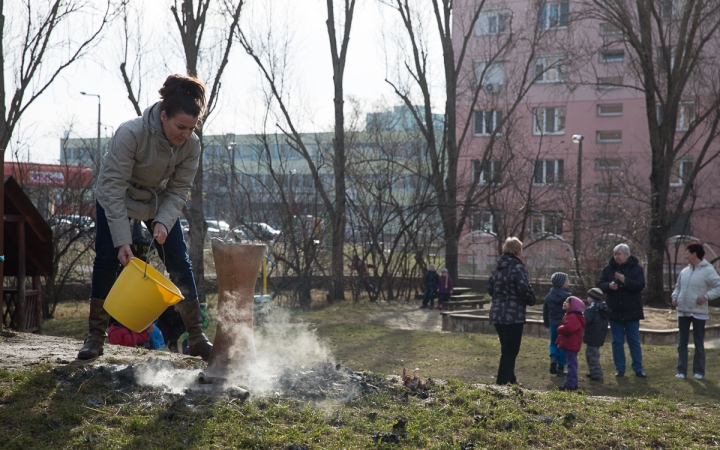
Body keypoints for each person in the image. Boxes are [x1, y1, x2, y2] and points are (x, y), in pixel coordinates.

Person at [77, 74, 213, 361]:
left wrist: (163, 221)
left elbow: (178, 190)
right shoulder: (131, 133)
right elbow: (112, 189)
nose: (185, 134)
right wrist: (122, 241)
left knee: (179, 260)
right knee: (106, 258)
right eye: (180, 127)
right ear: (163, 116)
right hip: (117, 196)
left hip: (157, 202)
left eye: (191, 128)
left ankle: (197, 338)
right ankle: (95, 336)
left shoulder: (192, 145)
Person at [487, 237, 537, 385]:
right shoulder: (518, 267)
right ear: (517, 250)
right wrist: (531, 300)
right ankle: (503, 381)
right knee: (511, 349)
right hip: (513, 314)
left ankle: (509, 378)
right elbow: (524, 287)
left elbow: (490, 288)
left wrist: (499, 299)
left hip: (497, 313)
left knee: (506, 348)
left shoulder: (497, 268)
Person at [671, 242, 720, 380]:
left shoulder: (708, 270)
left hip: (698, 312)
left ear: (694, 254)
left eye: (687, 253)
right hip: (683, 311)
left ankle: (698, 371)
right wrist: (675, 296)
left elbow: (718, 286)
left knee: (698, 342)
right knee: (682, 342)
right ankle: (681, 370)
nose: (685, 255)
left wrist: (706, 297)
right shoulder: (685, 271)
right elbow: (678, 287)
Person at [597, 243, 647, 378]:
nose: (616, 257)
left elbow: (640, 285)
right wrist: (608, 286)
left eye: (619, 254)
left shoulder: (636, 269)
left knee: (634, 341)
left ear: (626, 255)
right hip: (614, 311)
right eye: (615, 254)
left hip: (632, 311)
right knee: (617, 341)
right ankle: (620, 369)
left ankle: (638, 368)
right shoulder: (608, 269)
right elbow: (600, 284)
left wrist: (625, 281)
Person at [543, 272, 571, 377]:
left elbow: (545, 311)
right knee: (563, 345)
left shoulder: (548, 296)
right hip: (564, 324)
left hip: (553, 324)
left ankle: (553, 358)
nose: (569, 283)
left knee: (553, 343)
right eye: (567, 281)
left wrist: (547, 323)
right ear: (562, 283)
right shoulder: (568, 297)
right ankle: (560, 367)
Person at [556, 296, 586, 391]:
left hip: (571, 344)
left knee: (571, 364)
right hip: (569, 344)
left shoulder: (573, 317)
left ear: (573, 306)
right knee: (571, 363)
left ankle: (570, 384)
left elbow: (568, 329)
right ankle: (571, 383)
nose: (564, 303)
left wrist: (559, 328)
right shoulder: (569, 315)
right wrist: (558, 342)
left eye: (567, 302)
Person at [583, 287, 610, 381]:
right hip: (599, 335)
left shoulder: (592, 309)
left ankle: (597, 373)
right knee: (591, 353)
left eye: (588, 297)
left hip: (592, 334)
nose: (587, 299)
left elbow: (586, 320)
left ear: (592, 298)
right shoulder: (603, 307)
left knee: (592, 355)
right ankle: (592, 372)